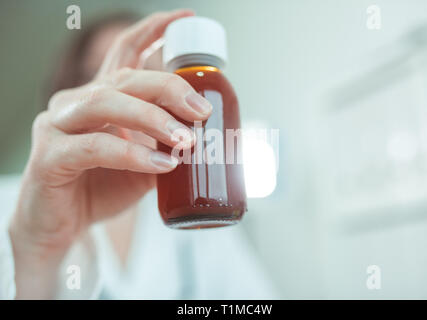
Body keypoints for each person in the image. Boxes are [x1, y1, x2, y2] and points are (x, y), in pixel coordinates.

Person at [0, 9, 276, 299]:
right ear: (67, 94)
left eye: (144, 77)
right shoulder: (11, 205)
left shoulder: (203, 215)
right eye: (96, 77)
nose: (118, 98)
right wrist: (38, 247)